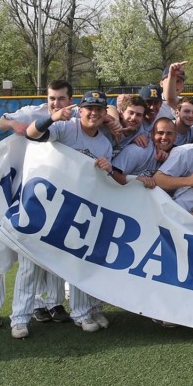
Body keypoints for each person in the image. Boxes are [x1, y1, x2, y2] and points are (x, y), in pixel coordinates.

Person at [24, 91, 115, 333]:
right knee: (41, 263)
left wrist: (108, 169)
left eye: (99, 109)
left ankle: (87, 310)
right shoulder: (66, 127)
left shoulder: (104, 143)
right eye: (89, 108)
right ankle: (36, 313)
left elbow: (103, 182)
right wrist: (52, 118)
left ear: (105, 113)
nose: (93, 113)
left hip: (83, 208)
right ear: (80, 110)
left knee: (85, 260)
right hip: (53, 205)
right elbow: (31, 133)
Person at [0, 81, 74, 329]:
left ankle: (54, 302)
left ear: (70, 98)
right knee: (29, 257)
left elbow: (105, 114)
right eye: (52, 98)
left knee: (58, 253)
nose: (55, 103)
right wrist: (13, 124)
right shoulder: (36, 112)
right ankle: (23, 313)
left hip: (64, 195)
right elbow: (1, 122)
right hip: (31, 192)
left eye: (61, 98)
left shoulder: (76, 115)